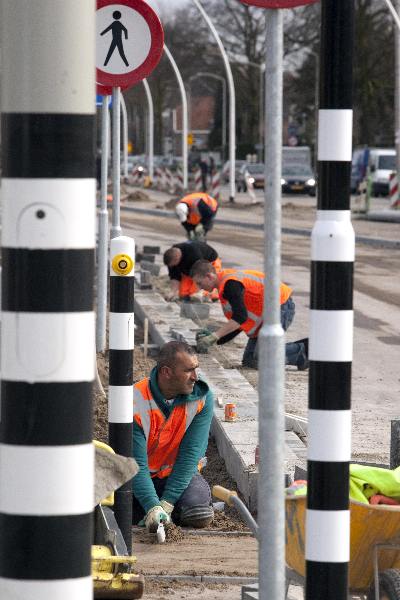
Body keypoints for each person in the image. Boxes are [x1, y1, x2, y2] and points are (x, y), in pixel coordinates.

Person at [132, 341, 215, 533]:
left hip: (176, 476)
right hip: (137, 477)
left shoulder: (202, 397)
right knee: (115, 510)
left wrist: (167, 502)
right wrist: (151, 504)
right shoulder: (134, 399)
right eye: (188, 371)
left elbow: (190, 455)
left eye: (196, 369)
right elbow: (135, 464)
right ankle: (152, 511)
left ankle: (165, 513)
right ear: (167, 372)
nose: (195, 377)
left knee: (198, 514)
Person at [190, 261, 308, 370]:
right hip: (266, 314)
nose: (199, 288)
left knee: (261, 357)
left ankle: (307, 349)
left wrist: (215, 336)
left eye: (200, 283)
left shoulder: (231, 284)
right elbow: (239, 323)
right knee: (250, 360)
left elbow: (240, 317)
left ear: (210, 276)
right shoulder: (225, 285)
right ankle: (301, 356)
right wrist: (215, 338)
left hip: (280, 306)